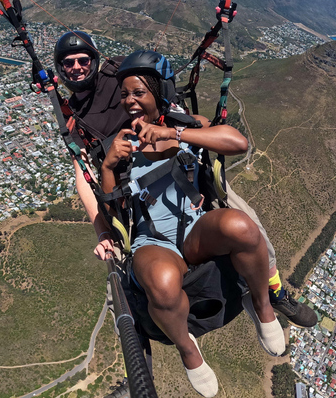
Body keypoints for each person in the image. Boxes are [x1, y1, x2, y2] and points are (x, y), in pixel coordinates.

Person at [53, 31, 316, 336]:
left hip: (178, 163)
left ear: (94, 59)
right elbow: (83, 175)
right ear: (60, 69)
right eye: (67, 63)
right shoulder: (72, 116)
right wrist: (103, 231)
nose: (76, 67)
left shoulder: (119, 74)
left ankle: (273, 293)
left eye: (82, 59)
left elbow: (159, 83)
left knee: (251, 228)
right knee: (130, 283)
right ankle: (150, 343)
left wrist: (173, 129)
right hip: (135, 190)